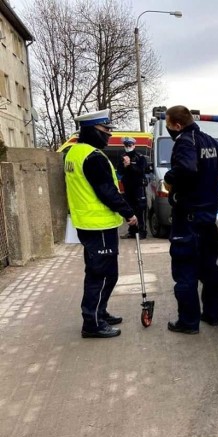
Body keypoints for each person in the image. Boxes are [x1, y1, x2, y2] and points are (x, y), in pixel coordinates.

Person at [64, 109, 138, 338]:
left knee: (106, 273)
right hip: (98, 225)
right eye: (105, 131)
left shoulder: (73, 153)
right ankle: (92, 323)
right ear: (91, 130)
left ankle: (100, 312)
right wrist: (129, 214)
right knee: (101, 274)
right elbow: (106, 191)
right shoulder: (93, 157)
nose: (108, 136)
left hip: (88, 223)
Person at [162, 105, 218, 334]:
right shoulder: (207, 140)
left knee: (185, 272)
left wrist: (169, 178)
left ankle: (188, 322)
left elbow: (185, 167)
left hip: (188, 220)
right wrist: (209, 177)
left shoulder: (184, 141)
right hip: (208, 218)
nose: (168, 130)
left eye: (168, 125)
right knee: (209, 270)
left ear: (177, 124)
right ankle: (212, 316)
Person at [117, 137, 148, 239]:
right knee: (129, 209)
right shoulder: (122, 157)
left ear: (134, 145)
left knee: (140, 208)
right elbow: (120, 172)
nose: (128, 147)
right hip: (128, 187)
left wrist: (130, 165)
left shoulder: (140, 157)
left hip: (138, 187)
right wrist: (124, 166)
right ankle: (132, 231)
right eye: (126, 145)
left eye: (129, 145)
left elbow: (141, 171)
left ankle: (142, 231)